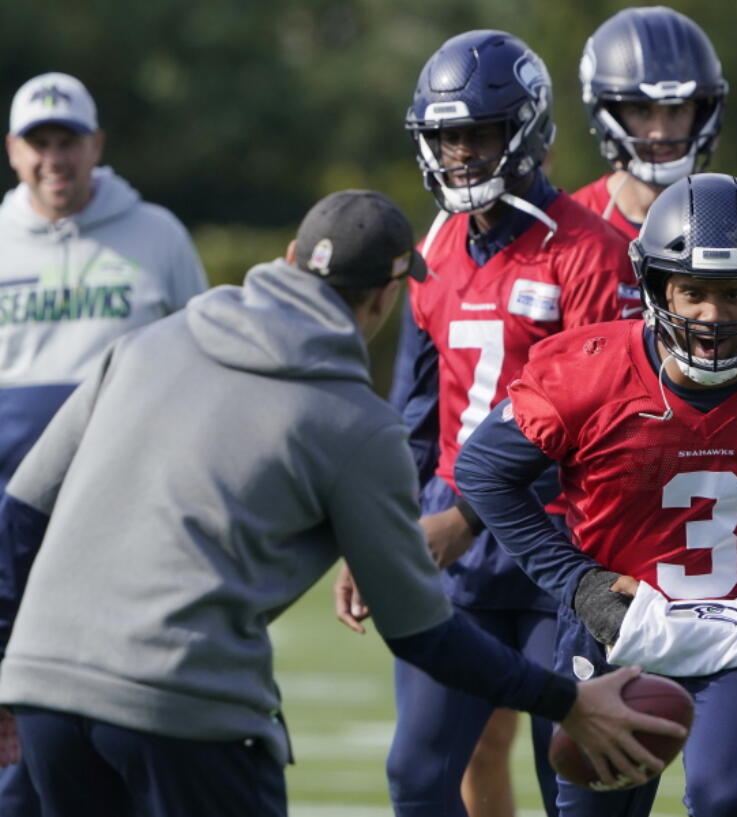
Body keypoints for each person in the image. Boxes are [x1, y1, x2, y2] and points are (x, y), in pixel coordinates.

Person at [0, 189, 684, 817]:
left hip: (43, 691)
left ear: (289, 258)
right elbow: (423, 633)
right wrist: (564, 701)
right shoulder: (355, 424)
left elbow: (20, 513)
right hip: (185, 703)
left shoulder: (142, 344)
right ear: (387, 297)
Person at [453, 173, 737, 817]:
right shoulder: (588, 370)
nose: (712, 315)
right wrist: (575, 581)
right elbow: (481, 471)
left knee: (725, 799)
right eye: (692, 292)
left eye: (733, 293)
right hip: (619, 627)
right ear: (655, 286)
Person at [331, 31, 641, 817]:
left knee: (577, 773)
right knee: (420, 770)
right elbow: (414, 414)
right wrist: (379, 533)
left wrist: (468, 515)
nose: (461, 152)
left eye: (479, 131)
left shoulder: (592, 253)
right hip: (458, 559)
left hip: (563, 552)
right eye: (446, 135)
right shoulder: (434, 247)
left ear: (527, 130)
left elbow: (602, 422)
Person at [0, 70, 208, 814]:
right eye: (39, 143)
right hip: (12, 524)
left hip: (129, 510)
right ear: (14, 152)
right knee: (18, 700)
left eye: (68, 141)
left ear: (97, 145)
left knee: (133, 693)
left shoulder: (156, 233)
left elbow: (199, 361)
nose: (55, 158)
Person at [571, 5, 737, 326]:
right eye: (642, 111)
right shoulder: (569, 231)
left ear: (703, 111)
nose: (660, 132)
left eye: (677, 110)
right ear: (608, 112)